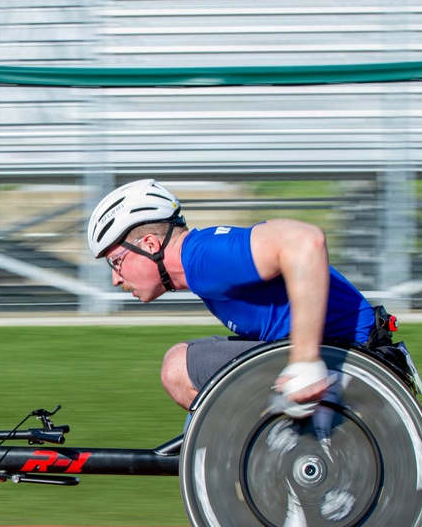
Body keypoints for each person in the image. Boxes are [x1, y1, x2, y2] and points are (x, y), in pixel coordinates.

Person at [87, 178, 379, 417]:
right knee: (188, 364)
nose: (115, 279)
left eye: (116, 262)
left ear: (150, 245)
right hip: (334, 347)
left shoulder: (203, 258)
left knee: (178, 368)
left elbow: (306, 240)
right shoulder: (199, 262)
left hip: (352, 352)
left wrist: (305, 362)